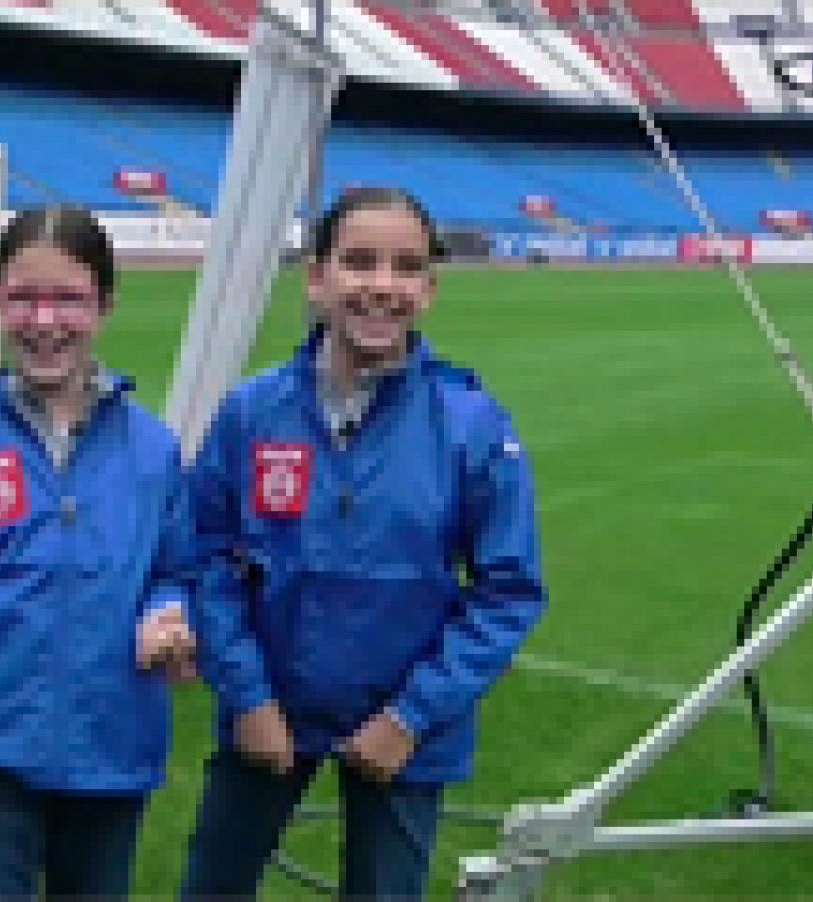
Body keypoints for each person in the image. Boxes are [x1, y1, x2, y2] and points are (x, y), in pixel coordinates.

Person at [180, 188, 548, 899]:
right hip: (269, 714)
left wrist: (410, 718)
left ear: (429, 289)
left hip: (405, 733)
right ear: (317, 278)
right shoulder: (253, 412)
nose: (382, 286)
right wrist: (249, 697)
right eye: (359, 262)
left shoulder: (471, 424)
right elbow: (204, 554)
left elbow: (508, 592)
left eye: (405, 268)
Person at [0, 206, 195, 899]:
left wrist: (169, 616)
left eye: (69, 299)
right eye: (24, 297)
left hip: (111, 744)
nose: (45, 320)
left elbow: (176, 570)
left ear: (106, 306)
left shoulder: (152, 449)